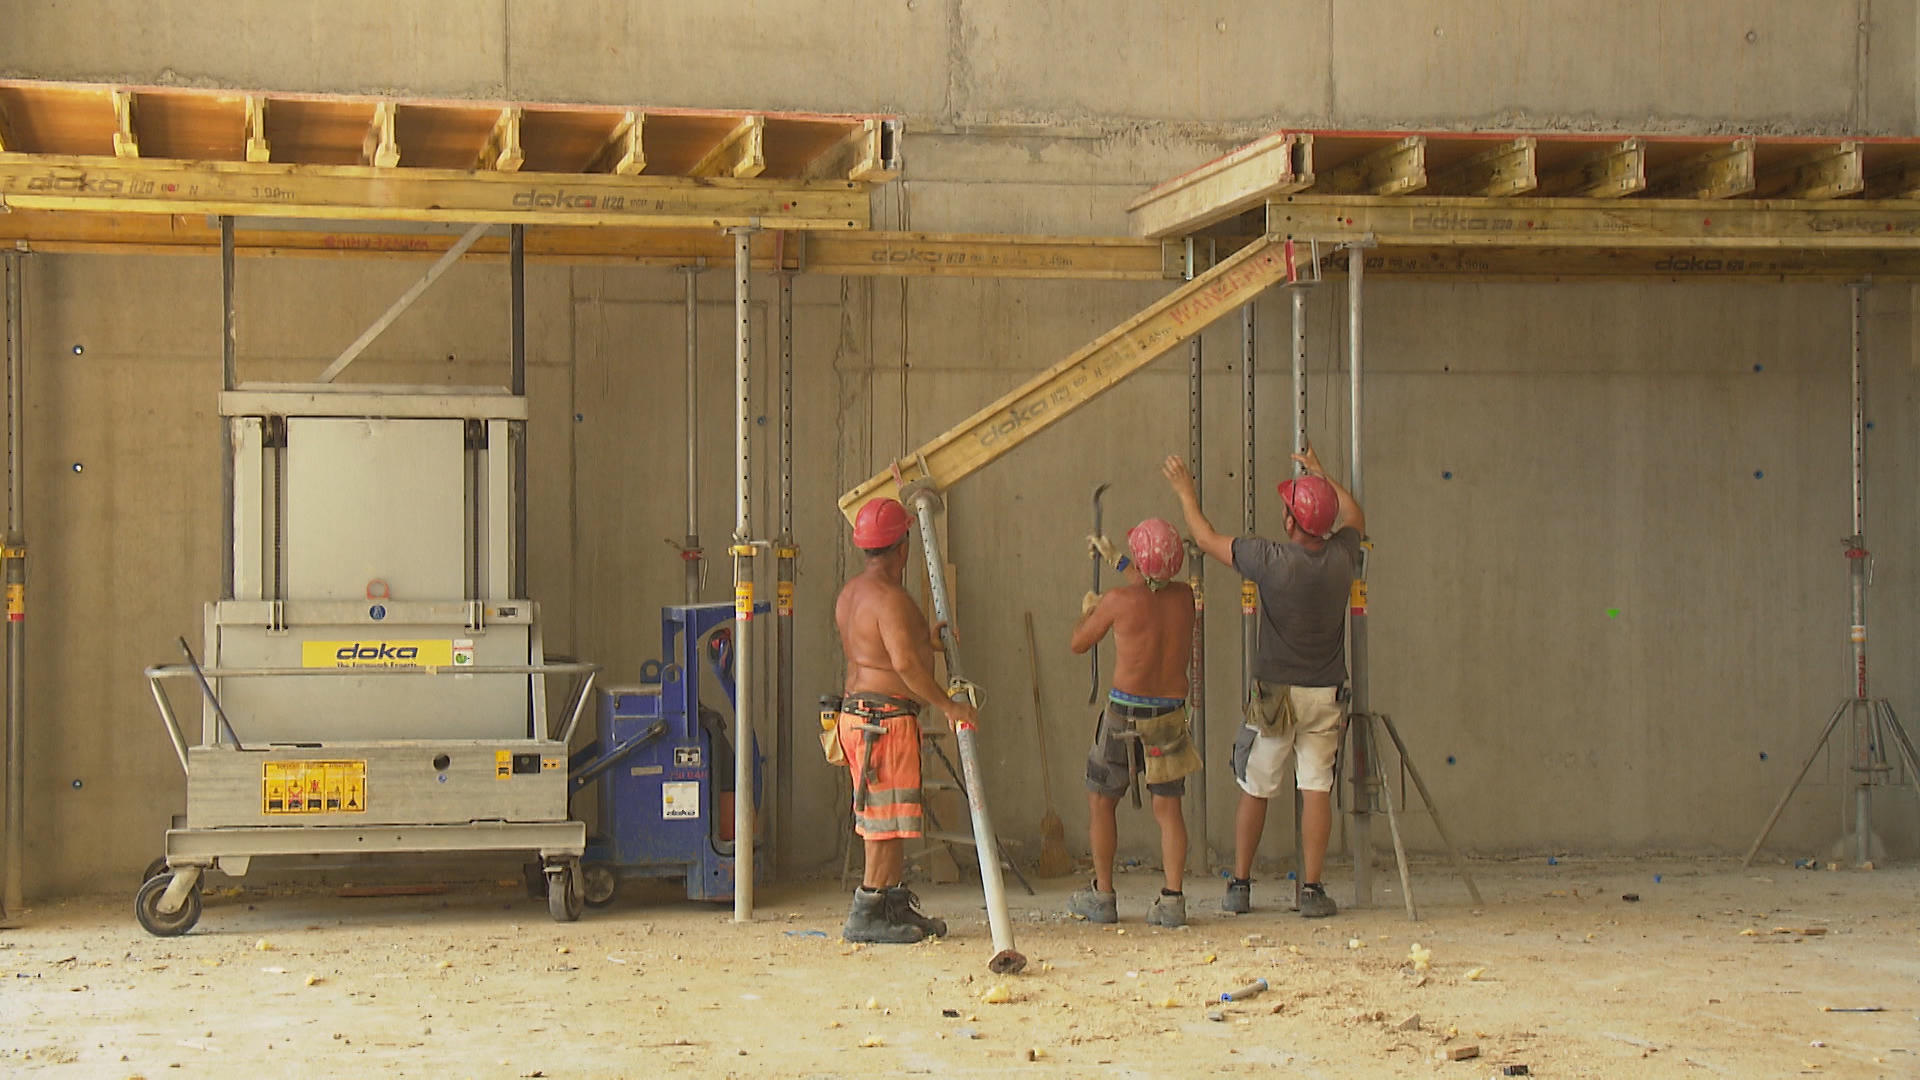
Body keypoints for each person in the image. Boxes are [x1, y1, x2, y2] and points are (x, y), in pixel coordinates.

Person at [1163, 441, 1365, 918]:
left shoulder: (1271, 559)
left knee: (1256, 785)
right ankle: (1312, 891)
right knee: (1317, 786)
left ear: (1292, 523)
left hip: (1275, 694)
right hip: (1326, 692)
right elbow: (1355, 515)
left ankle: (1240, 885)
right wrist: (1322, 474)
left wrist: (1185, 493)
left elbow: (1207, 538)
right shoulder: (1343, 557)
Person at [832, 496, 979, 944]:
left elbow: (878, 649)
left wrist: (925, 637)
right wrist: (950, 706)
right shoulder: (890, 599)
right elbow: (905, 667)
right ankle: (868, 910)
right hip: (882, 721)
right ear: (903, 547)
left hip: (858, 716)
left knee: (886, 817)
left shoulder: (853, 593)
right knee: (882, 820)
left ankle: (890, 902)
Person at [1066, 517, 1203, 928]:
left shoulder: (1116, 602)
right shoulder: (1184, 599)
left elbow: (1079, 643)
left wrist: (1087, 609)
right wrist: (1118, 560)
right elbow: (1152, 585)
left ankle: (1103, 896)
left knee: (1102, 800)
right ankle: (1173, 899)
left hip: (1123, 715)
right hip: (1168, 716)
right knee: (1169, 807)